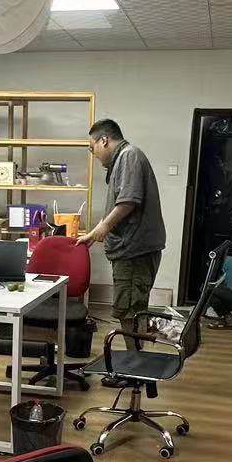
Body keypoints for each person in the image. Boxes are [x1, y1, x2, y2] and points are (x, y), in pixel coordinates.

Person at [78, 119, 167, 335]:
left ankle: (134, 355)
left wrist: (105, 227)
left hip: (134, 251)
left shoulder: (129, 156)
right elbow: (117, 204)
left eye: (92, 148)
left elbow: (128, 201)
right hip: (132, 250)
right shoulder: (123, 158)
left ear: (104, 140)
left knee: (130, 311)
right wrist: (94, 233)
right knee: (129, 310)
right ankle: (134, 353)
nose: (94, 154)